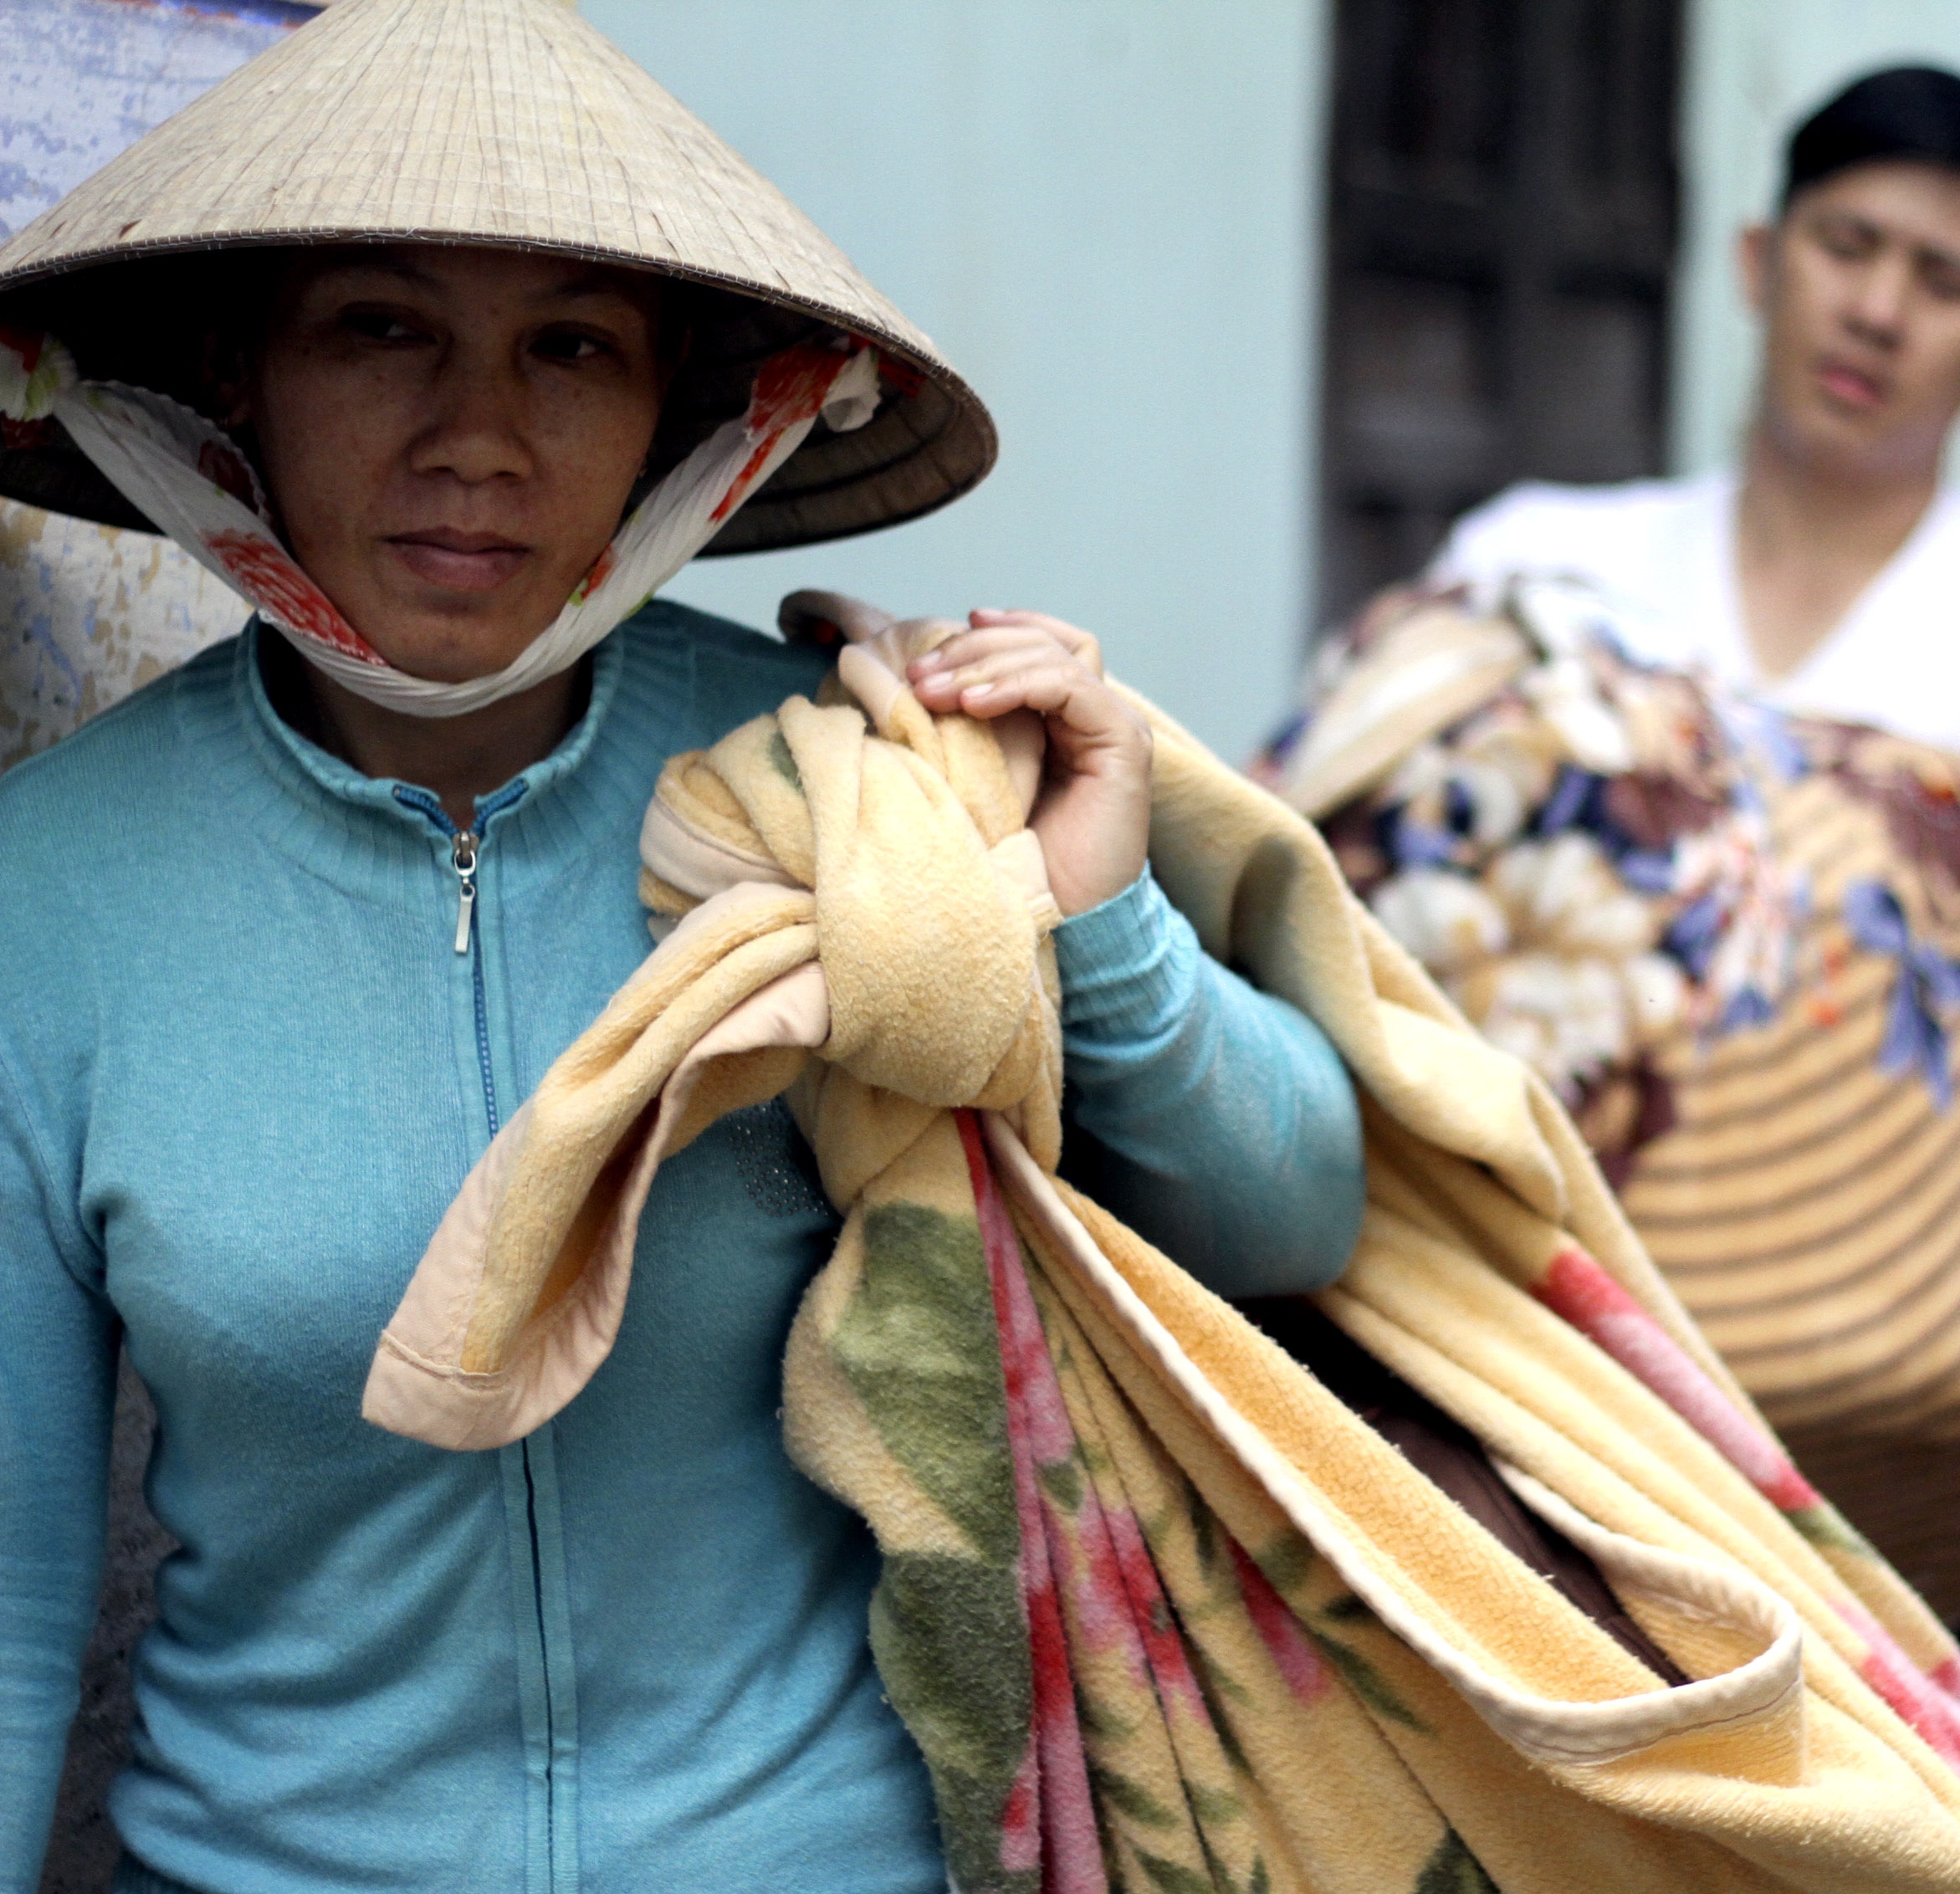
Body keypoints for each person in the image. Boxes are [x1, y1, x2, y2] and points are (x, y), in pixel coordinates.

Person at [0, 3, 1360, 1889]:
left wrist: (1091, 903)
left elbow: (1297, 1218)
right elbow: (8, 1606)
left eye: (570, 345)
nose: (474, 436)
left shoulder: (844, 782)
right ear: (238, 382)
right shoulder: (50, 892)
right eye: (379, 328)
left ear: (690, 416)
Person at [1432, 65, 1960, 1514]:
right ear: (1757, 259)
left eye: (1944, 279)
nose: (1876, 309)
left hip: (1867, 1357)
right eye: (1844, 246)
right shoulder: (1532, 561)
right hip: (1523, 1323)